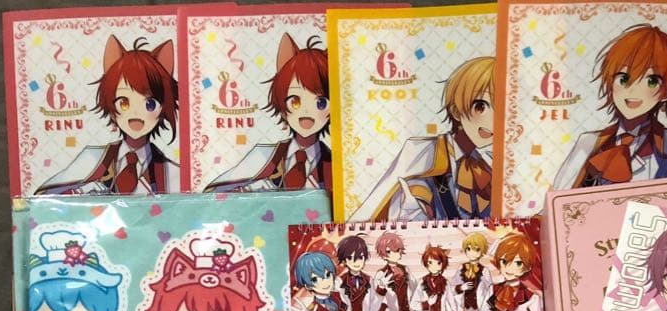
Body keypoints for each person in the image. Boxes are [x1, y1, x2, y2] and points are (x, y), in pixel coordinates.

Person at [553, 24, 667, 190]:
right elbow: (557, 199)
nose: (633, 91)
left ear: (666, 91)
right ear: (610, 83)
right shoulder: (588, 143)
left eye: (651, 81)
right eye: (623, 79)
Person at [355, 56, 495, 220]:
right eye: (480, 107)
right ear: (456, 111)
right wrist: (412, 209)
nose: (492, 121)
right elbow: (401, 202)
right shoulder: (422, 154)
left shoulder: (487, 165)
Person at [35, 36, 179, 195]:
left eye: (149, 104)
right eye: (124, 103)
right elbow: (41, 198)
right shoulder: (93, 159)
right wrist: (79, 192)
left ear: (163, 107)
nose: (136, 113)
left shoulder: (171, 173)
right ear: (110, 103)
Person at [205, 35, 331, 192]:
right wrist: (248, 190)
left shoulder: (335, 165)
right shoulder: (263, 157)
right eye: (295, 101)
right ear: (282, 103)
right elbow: (212, 193)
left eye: (321, 103)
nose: (306, 111)